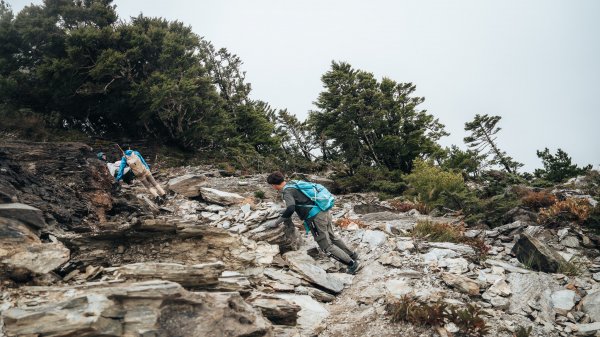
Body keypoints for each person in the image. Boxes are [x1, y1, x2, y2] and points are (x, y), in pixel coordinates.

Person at [263, 171, 360, 274]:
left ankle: (352, 264)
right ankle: (353, 255)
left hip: (315, 218)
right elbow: (300, 202)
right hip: (324, 211)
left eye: (272, 186)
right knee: (332, 237)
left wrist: (277, 222)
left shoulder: (287, 191)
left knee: (326, 247)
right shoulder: (293, 183)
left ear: (274, 185)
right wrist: (284, 211)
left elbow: (291, 207)